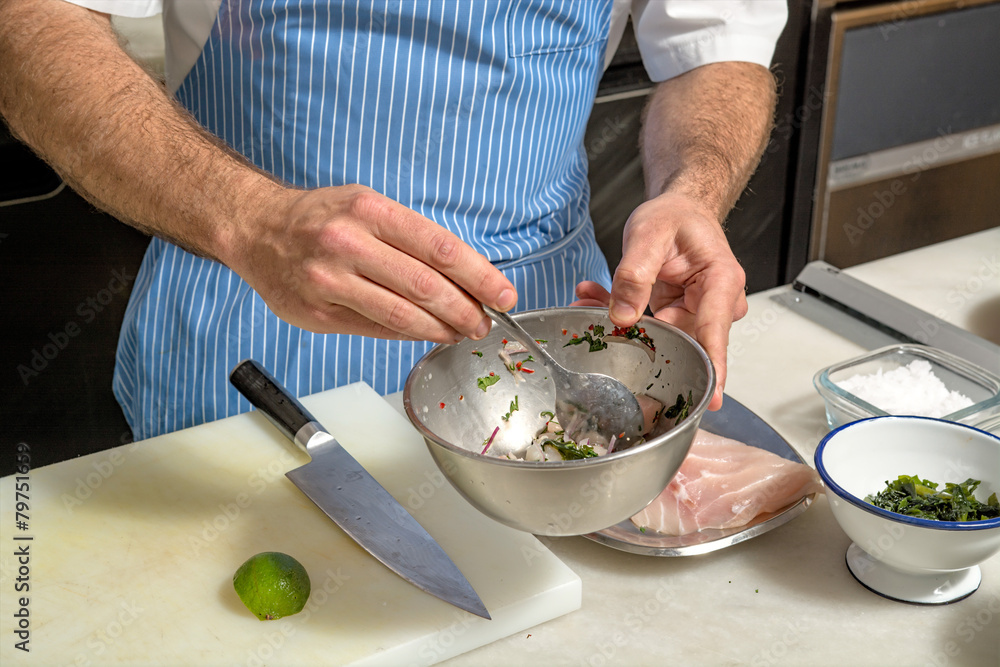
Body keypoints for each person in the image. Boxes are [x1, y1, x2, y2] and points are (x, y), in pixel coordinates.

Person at [0, 0, 786, 440]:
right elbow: (30, 24)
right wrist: (250, 217)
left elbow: (718, 46)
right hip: (250, 342)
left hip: (537, 358)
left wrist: (692, 188)